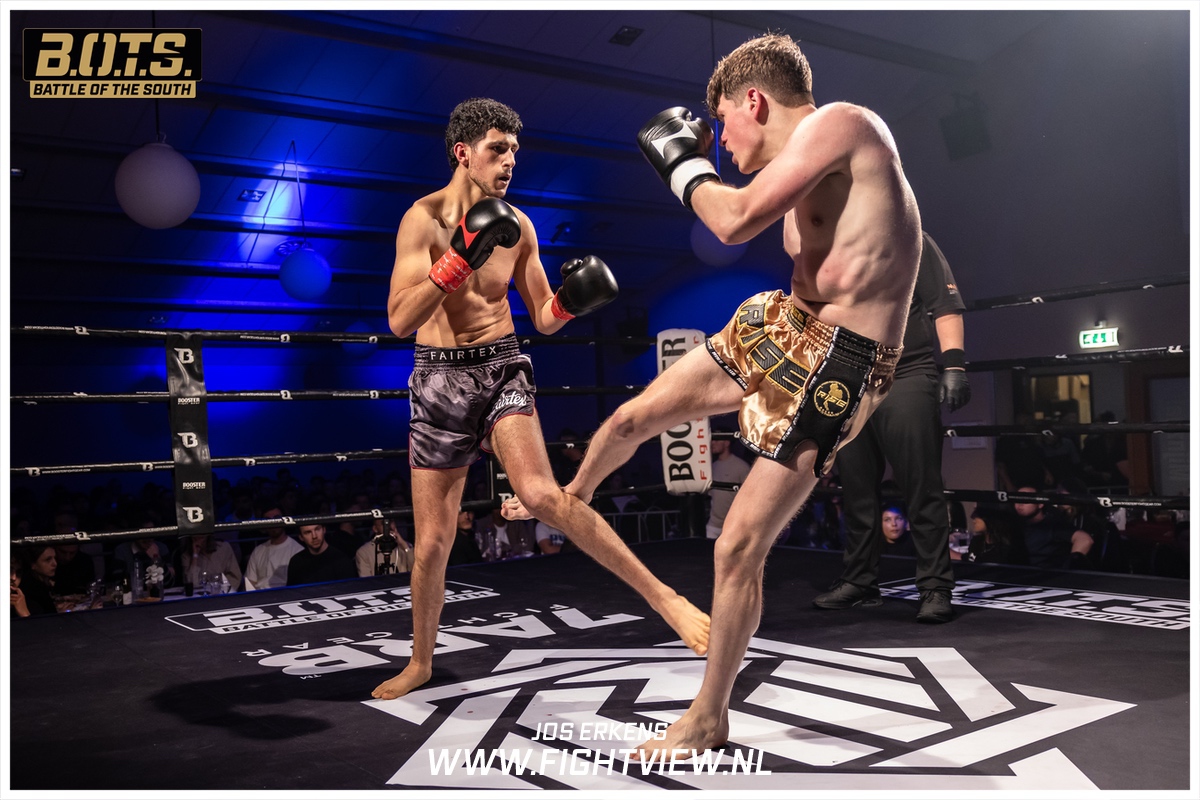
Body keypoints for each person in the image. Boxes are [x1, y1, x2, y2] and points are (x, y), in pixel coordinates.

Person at [505, 33, 921, 759]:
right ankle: (573, 500)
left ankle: (708, 716)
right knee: (631, 417)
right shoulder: (806, 166)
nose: (720, 141)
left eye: (723, 121)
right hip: (784, 320)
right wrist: (700, 163)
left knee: (737, 546)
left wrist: (681, 161)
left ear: (752, 101)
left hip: (843, 362)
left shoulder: (846, 125)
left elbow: (730, 221)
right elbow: (754, 217)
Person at [368, 97, 710, 701]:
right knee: (434, 544)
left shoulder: (519, 226)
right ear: (463, 153)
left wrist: (573, 300)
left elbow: (544, 316)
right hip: (439, 380)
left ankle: (666, 599)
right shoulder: (422, 221)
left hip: (502, 366)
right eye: (498, 149)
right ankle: (421, 661)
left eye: (514, 151)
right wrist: (456, 262)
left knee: (542, 495)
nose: (510, 161)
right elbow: (399, 319)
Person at [812, 231, 967, 623]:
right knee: (856, 489)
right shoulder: (830, 242)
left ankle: (935, 585)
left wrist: (954, 364)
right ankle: (859, 581)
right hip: (849, 377)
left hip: (906, 371)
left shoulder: (909, 235)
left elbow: (944, 303)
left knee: (921, 484)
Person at [1013, 486, 1094, 570]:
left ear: (1040, 504)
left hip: (1045, 575)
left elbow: (1085, 540)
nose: (1020, 504)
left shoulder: (1052, 524)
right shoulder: (1014, 525)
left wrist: (1067, 570)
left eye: (1026, 500)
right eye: (1016, 499)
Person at [243, 505, 304, 591]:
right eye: (268, 519)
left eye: (276, 518)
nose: (273, 522)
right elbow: (250, 582)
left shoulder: (297, 550)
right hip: (259, 595)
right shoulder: (258, 550)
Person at [705, 433, 751, 540]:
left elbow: (750, 496)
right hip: (713, 525)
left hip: (733, 526)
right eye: (712, 440)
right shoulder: (712, 467)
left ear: (726, 443)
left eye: (717, 440)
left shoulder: (741, 467)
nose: (712, 443)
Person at [286, 523, 357, 587]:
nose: (314, 536)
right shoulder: (296, 562)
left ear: (324, 530)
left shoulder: (341, 559)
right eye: (308, 532)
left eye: (317, 529)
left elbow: (350, 590)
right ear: (301, 537)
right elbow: (292, 592)